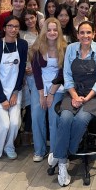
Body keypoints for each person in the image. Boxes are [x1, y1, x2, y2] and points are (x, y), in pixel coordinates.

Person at [49, 21, 96, 187]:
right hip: (73, 92)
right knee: (65, 117)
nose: (85, 36)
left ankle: (61, 155)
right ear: (78, 34)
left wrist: (86, 98)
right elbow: (67, 76)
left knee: (81, 119)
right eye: (82, 32)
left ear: (93, 34)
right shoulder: (71, 49)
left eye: (88, 32)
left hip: (94, 94)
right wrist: (74, 96)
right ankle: (62, 165)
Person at [0, 16, 28, 162]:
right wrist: (2, 98)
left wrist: (15, 92)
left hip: (15, 91)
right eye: (10, 26)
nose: (13, 29)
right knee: (3, 125)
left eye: (16, 26)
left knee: (15, 123)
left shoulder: (22, 45)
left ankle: (9, 147)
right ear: (4, 28)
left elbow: (21, 70)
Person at [30, 17, 67, 162]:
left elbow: (62, 73)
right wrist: (41, 94)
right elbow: (36, 73)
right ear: (44, 31)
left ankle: (54, 151)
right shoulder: (37, 47)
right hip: (39, 86)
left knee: (54, 119)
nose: (52, 32)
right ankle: (39, 150)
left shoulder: (65, 48)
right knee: (37, 117)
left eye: (55, 30)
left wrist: (51, 94)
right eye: (49, 29)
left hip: (57, 87)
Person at [19, 9, 41, 147]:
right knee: (22, 103)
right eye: (26, 19)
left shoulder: (42, 34)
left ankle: (29, 132)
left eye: (32, 18)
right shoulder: (21, 35)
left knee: (34, 103)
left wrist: (35, 68)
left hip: (37, 71)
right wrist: (23, 69)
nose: (30, 21)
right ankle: (17, 134)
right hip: (22, 71)